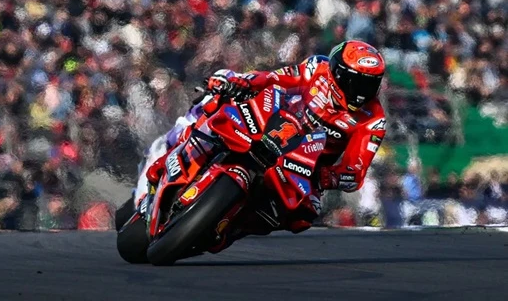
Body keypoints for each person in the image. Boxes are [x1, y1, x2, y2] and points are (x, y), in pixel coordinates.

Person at [135, 40, 387, 250]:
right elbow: (275, 79)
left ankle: (228, 227)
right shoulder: (316, 68)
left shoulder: (373, 120)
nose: (363, 91)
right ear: (338, 72)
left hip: (305, 166)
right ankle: (170, 157)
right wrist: (243, 84)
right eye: (358, 82)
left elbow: (354, 173)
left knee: (303, 215)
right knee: (216, 106)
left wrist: (325, 177)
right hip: (272, 125)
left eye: (371, 83)